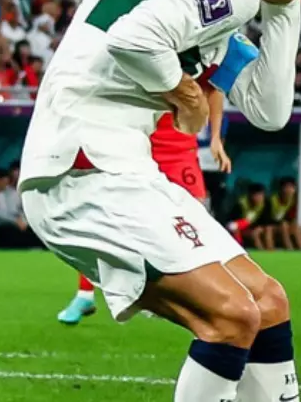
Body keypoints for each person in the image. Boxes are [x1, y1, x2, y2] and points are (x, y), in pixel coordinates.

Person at [20, 0, 301, 402]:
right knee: (232, 315)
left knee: (268, 303)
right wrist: (187, 98)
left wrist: (281, 9)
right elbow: (133, 39)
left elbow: (268, 111)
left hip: (118, 167)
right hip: (84, 169)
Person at [57, 71, 235, 325]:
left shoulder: (198, 54)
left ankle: (206, 291)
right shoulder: (140, 52)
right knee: (109, 218)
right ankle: (85, 293)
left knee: (197, 224)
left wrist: (216, 138)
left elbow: (215, 89)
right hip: (139, 147)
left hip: (180, 151)